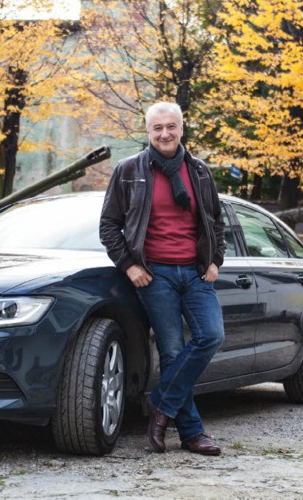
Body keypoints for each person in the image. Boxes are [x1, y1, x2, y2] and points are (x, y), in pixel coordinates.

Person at [99, 101, 226, 456]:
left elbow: (216, 221)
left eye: (171, 126)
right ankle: (192, 433)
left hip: (196, 272)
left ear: (182, 129)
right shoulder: (129, 170)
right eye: (158, 128)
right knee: (171, 351)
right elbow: (109, 225)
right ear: (148, 132)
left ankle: (160, 403)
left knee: (212, 335)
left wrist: (215, 260)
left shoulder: (199, 171)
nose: (165, 133)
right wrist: (129, 265)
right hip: (155, 275)